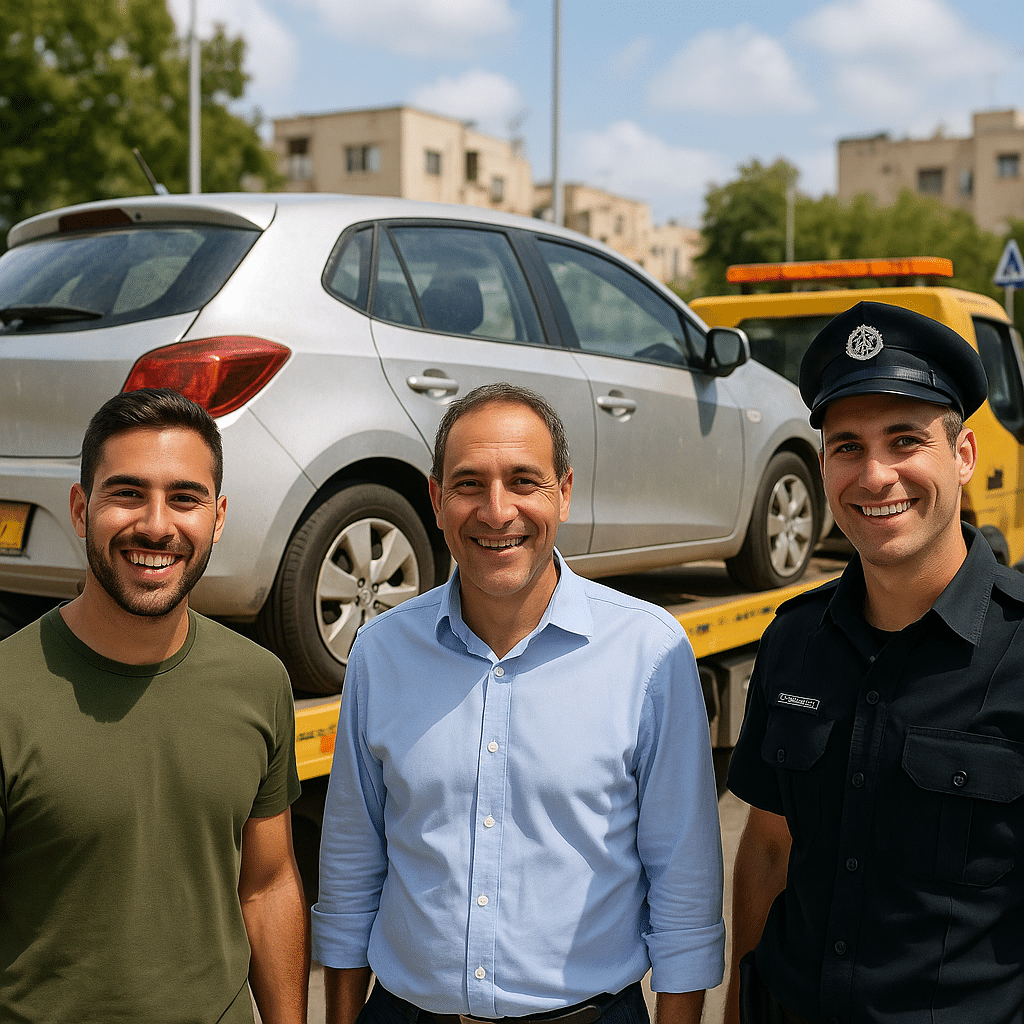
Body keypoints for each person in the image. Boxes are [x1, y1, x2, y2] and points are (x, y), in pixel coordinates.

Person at [312, 382, 724, 1024]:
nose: (496, 511)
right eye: (470, 483)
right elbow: (351, 864)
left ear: (563, 491)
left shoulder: (647, 651)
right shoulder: (381, 651)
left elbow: (684, 883)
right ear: (437, 499)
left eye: (523, 481)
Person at [725, 301, 1024, 1024]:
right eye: (847, 446)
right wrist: (736, 1008)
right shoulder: (795, 639)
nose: (876, 475)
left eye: (904, 440)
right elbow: (767, 849)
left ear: (963, 456)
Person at [0, 388, 309, 1024]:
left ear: (218, 517)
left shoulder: (259, 681)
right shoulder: (8, 690)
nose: (157, 525)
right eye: (128, 493)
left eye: (185, 498)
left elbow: (268, 883)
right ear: (81, 510)